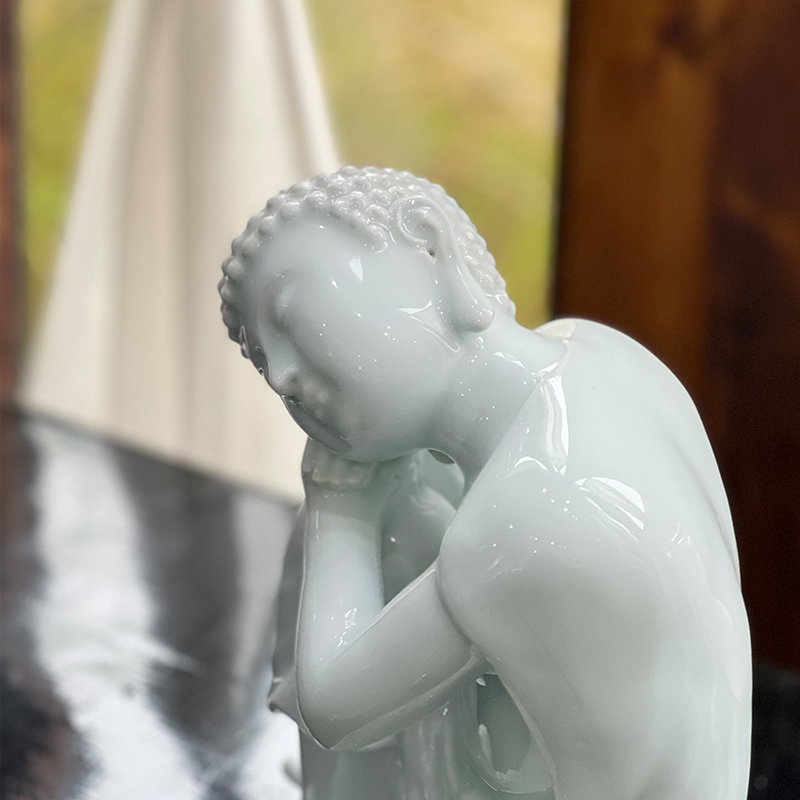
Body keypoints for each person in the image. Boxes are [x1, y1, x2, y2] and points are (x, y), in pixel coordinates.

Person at [219, 166, 751, 800]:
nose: (282, 378)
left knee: (378, 535)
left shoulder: (526, 518)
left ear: (429, 245)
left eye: (290, 319)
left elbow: (332, 708)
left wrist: (340, 504)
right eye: (263, 361)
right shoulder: (604, 355)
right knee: (409, 510)